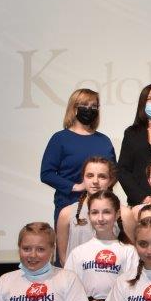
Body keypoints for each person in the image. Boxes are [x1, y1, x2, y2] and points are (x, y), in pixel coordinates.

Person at [64, 189, 137, 301]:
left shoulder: (128, 251)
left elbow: (133, 287)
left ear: (117, 214)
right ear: (88, 215)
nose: (101, 218)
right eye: (95, 212)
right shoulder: (78, 252)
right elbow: (68, 289)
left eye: (106, 212)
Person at [40, 88, 116, 222]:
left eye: (94, 106)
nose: (89, 109)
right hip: (69, 205)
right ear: (74, 108)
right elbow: (47, 173)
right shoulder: (60, 139)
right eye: (84, 105)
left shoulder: (104, 140)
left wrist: (102, 187)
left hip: (102, 207)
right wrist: (76, 186)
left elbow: (114, 172)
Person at [55, 155, 116, 265]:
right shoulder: (66, 213)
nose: (95, 181)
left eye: (102, 176)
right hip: (76, 275)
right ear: (83, 178)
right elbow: (64, 258)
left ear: (110, 181)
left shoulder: (124, 214)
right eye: (90, 176)